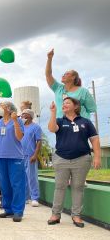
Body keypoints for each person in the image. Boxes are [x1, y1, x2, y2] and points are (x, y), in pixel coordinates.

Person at [47, 98, 101, 228]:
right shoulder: (60, 120)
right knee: (60, 187)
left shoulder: (86, 122)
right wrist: (53, 113)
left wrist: (97, 157)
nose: (64, 104)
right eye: (63, 103)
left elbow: (94, 140)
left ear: (75, 106)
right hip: (61, 159)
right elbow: (52, 128)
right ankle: (55, 214)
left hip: (82, 159)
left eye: (67, 102)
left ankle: (76, 215)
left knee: (78, 187)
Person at [0, 101, 25, 222]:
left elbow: (20, 137)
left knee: (17, 184)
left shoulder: (18, 121)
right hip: (1, 157)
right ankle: (8, 209)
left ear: (9, 109)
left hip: (15, 157)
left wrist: (15, 120)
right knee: (4, 185)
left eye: (2, 105)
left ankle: (18, 211)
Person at [45, 48, 96, 119]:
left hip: (79, 125)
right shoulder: (58, 88)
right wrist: (49, 58)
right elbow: (48, 75)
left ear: (73, 77)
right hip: (61, 125)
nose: (63, 75)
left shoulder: (83, 91)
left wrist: (77, 113)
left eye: (67, 74)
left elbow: (92, 108)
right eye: (64, 74)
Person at [20, 109, 42, 207]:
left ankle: (35, 197)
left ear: (29, 116)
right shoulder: (20, 127)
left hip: (30, 155)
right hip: (20, 155)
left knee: (32, 177)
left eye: (24, 114)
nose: (22, 116)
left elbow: (39, 142)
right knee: (22, 178)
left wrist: (35, 155)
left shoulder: (36, 127)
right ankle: (25, 197)